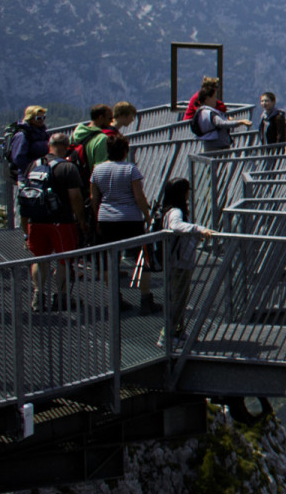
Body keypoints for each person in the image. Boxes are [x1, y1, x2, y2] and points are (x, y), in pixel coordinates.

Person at [88, 134, 154, 311]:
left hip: (106, 218)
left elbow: (94, 198)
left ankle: (115, 298)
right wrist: (148, 217)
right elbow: (139, 197)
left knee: (110, 261)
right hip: (130, 218)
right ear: (125, 151)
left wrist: (96, 218)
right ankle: (146, 298)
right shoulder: (131, 169)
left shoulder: (97, 170)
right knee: (142, 259)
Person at [21, 131, 85, 310]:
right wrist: (80, 220)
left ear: (49, 145)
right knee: (64, 260)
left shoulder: (33, 165)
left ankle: (38, 296)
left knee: (39, 259)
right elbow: (75, 197)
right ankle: (61, 297)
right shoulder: (68, 167)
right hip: (61, 221)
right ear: (67, 147)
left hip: (36, 219)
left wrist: (24, 222)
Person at [157, 177, 215, 345]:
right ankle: (166, 335)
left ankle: (178, 331)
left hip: (177, 260)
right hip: (180, 262)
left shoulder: (168, 210)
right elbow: (176, 226)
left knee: (179, 297)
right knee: (178, 299)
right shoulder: (176, 212)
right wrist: (198, 229)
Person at [3, 106, 50, 221]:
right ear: (31, 118)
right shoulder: (22, 135)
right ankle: (26, 234)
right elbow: (18, 158)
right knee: (26, 208)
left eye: (44, 117)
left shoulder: (42, 133)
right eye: (39, 118)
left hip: (41, 176)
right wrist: (30, 172)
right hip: (26, 177)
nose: (42, 120)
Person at [70, 104, 120, 174]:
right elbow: (101, 169)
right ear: (101, 118)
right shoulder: (101, 138)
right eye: (110, 118)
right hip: (90, 181)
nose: (111, 121)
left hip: (76, 180)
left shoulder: (76, 134)